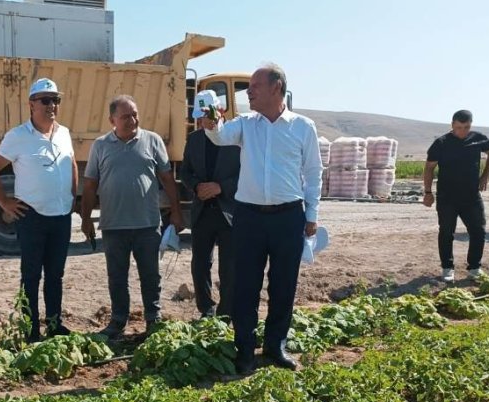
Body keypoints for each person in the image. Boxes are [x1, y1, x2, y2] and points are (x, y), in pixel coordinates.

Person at [203, 64, 322, 373]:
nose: (249, 91)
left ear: (276, 88)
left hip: (288, 217)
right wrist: (212, 123)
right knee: (245, 285)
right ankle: (244, 348)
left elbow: (313, 173)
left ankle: (275, 345)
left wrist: (312, 215)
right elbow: (220, 136)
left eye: (254, 85)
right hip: (249, 217)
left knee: (284, 285)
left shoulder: (302, 127)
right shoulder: (245, 124)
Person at [0, 78, 78, 342]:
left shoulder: (64, 133)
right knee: (32, 274)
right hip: (32, 216)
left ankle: (55, 325)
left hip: (61, 215)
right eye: (45, 100)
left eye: (55, 100)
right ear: (31, 104)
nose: (52, 106)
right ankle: (30, 329)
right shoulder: (18, 136)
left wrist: (72, 196)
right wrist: (4, 202)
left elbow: (72, 164)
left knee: (56, 274)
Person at [80, 95, 183, 339]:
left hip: (147, 224)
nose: (132, 120)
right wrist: (85, 219)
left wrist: (176, 212)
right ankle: (118, 320)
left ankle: (153, 318)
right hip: (114, 226)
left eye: (135, 114)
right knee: (117, 276)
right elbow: (90, 185)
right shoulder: (101, 145)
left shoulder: (152, 141)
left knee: (150, 275)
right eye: (125, 116)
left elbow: (167, 179)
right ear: (112, 120)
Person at [179, 90, 240, 318]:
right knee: (200, 265)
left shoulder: (236, 137)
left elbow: (246, 174)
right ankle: (207, 309)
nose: (205, 121)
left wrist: (221, 187)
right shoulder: (194, 140)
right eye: (201, 117)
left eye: (209, 115)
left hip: (229, 213)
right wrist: (197, 187)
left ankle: (227, 313)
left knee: (230, 267)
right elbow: (185, 172)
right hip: (203, 211)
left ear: (220, 111)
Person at [423, 110, 489, 283]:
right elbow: (429, 168)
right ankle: (447, 268)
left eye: (466, 127)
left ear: (471, 125)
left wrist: (485, 175)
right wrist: (428, 192)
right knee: (447, 232)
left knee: (478, 231)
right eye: (459, 127)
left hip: (471, 196)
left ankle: (474, 268)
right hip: (447, 197)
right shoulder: (441, 143)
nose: (462, 131)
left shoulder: (478, 138)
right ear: (452, 125)